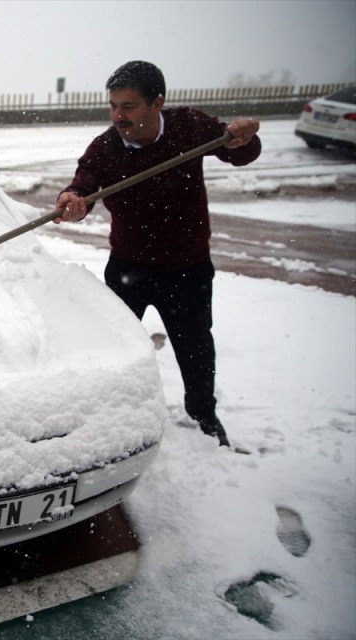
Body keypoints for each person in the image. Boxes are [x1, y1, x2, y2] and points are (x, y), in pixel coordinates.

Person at [54, 61, 261, 448]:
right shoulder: (105, 148)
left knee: (195, 348)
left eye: (129, 106)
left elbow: (237, 151)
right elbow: (83, 184)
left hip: (188, 268)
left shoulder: (188, 126)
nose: (118, 115)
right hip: (129, 269)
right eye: (113, 105)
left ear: (157, 103)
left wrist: (243, 138)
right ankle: (107, 414)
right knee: (112, 348)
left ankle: (203, 415)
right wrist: (73, 199)